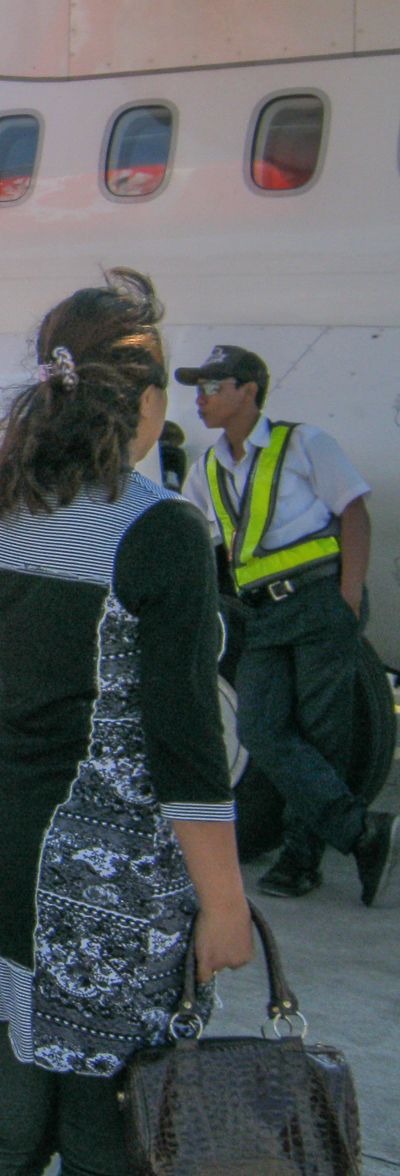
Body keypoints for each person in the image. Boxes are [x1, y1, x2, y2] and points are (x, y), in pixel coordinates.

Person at [0, 270, 253, 1176]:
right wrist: (226, 905)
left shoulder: (2, 513)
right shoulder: (160, 530)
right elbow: (187, 746)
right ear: (146, 401)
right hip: (99, 889)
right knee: (101, 1146)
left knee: (9, 1131)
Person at [174, 343, 396, 904]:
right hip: (264, 614)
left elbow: (354, 513)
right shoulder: (207, 469)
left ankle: (301, 861)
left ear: (248, 391)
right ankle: (363, 833)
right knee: (260, 729)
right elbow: (194, 537)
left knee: (322, 734)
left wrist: (348, 598)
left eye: (213, 387)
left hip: (320, 599)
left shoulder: (304, 443)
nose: (201, 399)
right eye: (198, 388)